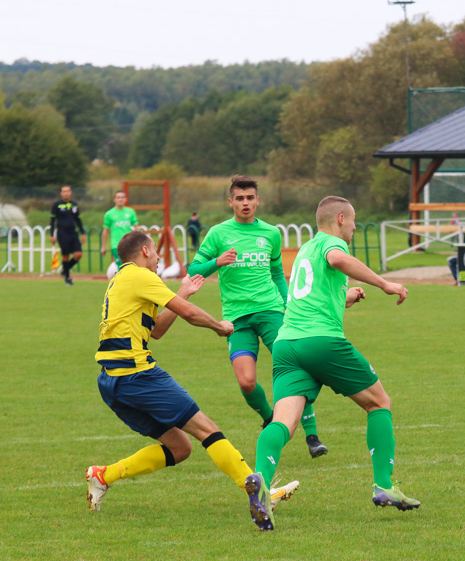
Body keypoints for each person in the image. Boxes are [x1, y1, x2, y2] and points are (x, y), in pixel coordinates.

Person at [86, 230, 296, 515]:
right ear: (145, 251)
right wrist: (218, 326)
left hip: (111, 381)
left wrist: (182, 291)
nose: (160, 258)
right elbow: (187, 312)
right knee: (206, 429)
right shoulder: (142, 276)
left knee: (180, 447)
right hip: (137, 375)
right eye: (156, 252)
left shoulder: (120, 280)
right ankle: (260, 492)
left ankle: (103, 475)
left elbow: (156, 331)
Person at [245, 196, 417, 532]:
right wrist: (384, 283)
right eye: (353, 221)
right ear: (340, 219)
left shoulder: (307, 248)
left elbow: (314, 293)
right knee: (379, 402)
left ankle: (261, 484)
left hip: (286, 344)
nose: (354, 227)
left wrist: (345, 297)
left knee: (284, 424)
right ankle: (383, 485)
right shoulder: (331, 244)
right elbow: (338, 259)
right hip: (320, 342)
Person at [187, 176, 327, 458]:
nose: (245, 203)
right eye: (239, 199)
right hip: (236, 318)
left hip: (271, 310)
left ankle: (312, 436)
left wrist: (289, 306)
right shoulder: (218, 234)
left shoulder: (271, 234)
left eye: (250, 198)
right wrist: (217, 261)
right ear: (231, 202)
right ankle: (269, 417)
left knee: (294, 365)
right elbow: (194, 269)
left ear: (257, 200)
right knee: (246, 382)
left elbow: (277, 273)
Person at [49, 185, 86, 286]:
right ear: (61, 193)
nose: (65, 193)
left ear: (71, 192)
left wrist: (83, 233)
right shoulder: (57, 205)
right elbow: (52, 220)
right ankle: (68, 278)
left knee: (78, 254)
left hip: (73, 232)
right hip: (62, 233)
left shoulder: (74, 205)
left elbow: (78, 219)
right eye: (63, 191)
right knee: (66, 255)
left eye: (67, 191)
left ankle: (65, 270)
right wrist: (51, 234)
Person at [101, 190, 139, 268]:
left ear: (126, 199)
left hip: (129, 244)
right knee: (121, 265)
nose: (120, 199)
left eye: (122, 197)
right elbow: (105, 230)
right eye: (118, 197)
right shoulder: (109, 214)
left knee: (131, 265)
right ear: (114, 199)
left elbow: (137, 227)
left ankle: (123, 279)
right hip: (116, 244)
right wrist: (103, 246)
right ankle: (121, 279)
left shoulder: (131, 212)